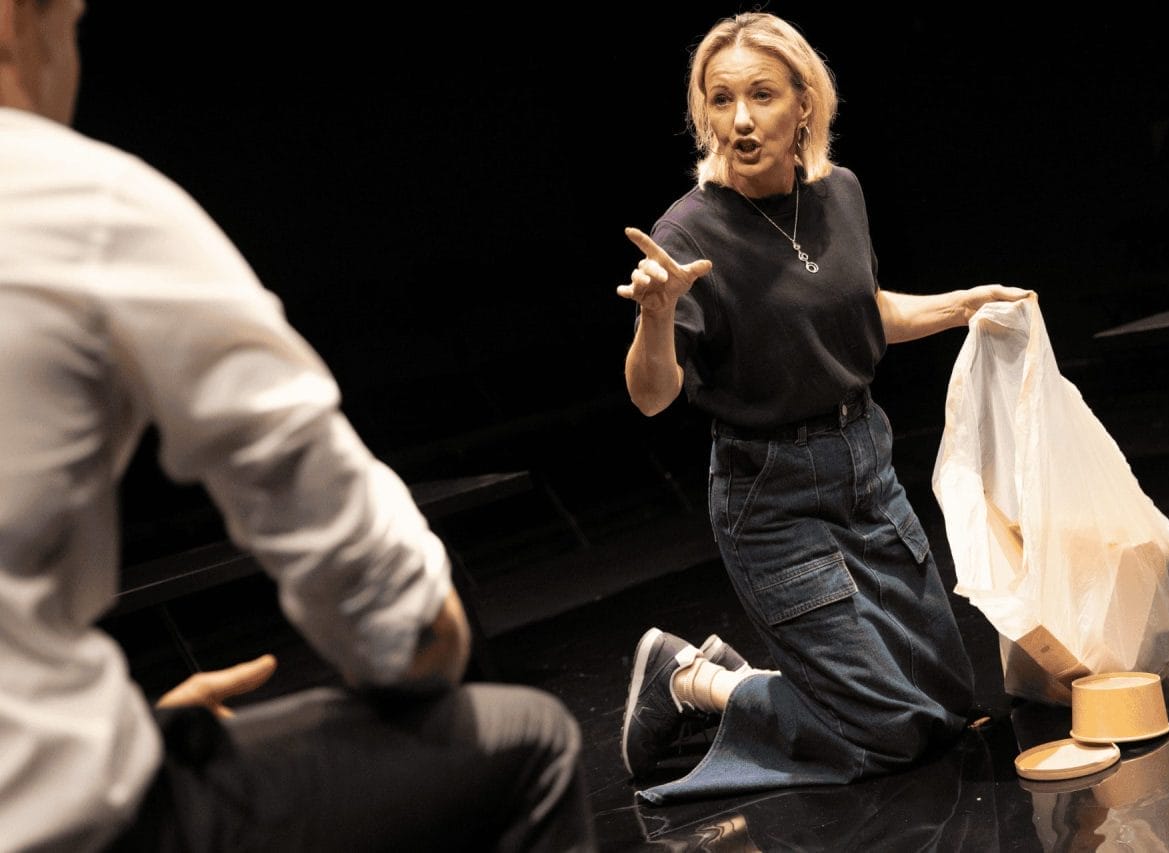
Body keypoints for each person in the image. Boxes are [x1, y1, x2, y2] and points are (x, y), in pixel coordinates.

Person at [0, 1, 596, 850]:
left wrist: (101, 720)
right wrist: (420, 630)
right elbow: (335, 529)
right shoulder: (81, 201)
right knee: (526, 739)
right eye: (70, 20)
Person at [614, 11, 1032, 804]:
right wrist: (657, 314)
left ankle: (758, 681)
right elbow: (652, 394)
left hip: (867, 469)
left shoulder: (840, 193)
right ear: (703, 114)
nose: (741, 120)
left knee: (948, 706)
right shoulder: (688, 231)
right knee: (892, 728)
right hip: (772, 496)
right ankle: (696, 679)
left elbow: (856, 311)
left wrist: (963, 304)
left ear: (803, 104)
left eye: (762, 95)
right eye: (721, 99)